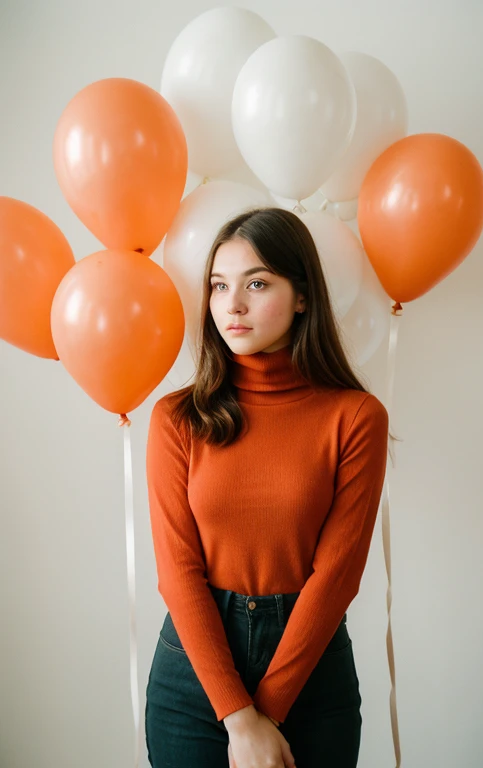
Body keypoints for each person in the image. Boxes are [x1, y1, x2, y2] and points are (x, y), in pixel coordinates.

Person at [144, 207, 394, 768]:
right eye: (218, 285)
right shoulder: (176, 419)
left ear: (302, 296)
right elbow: (177, 571)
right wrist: (238, 717)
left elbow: (337, 575)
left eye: (257, 283)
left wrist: (268, 714)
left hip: (311, 669)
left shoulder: (354, 417)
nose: (231, 305)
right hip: (195, 674)